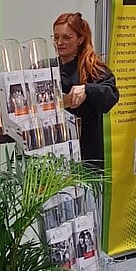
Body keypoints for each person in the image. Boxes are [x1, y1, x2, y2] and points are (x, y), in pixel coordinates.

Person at [52, 12, 120, 170]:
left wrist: (87, 89)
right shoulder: (47, 67)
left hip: (86, 158)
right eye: (56, 38)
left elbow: (111, 93)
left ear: (80, 39)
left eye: (66, 37)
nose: (59, 43)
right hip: (54, 158)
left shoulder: (93, 68)